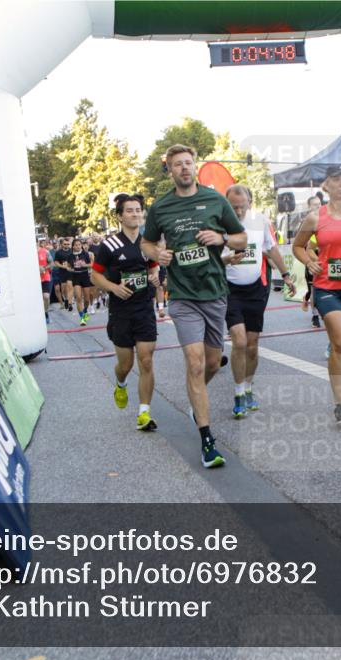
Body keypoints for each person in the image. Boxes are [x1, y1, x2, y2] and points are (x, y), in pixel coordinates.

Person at [141, 144, 247, 468]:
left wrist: (222, 239)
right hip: (183, 296)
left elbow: (241, 238)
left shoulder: (215, 200)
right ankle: (207, 441)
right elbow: (147, 242)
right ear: (170, 170)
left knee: (212, 363)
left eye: (188, 163)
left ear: (194, 166)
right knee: (196, 363)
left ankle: (194, 396)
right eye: (178, 164)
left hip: (214, 293)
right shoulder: (161, 207)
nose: (184, 168)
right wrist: (157, 254)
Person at [293, 166, 341, 424]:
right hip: (327, 287)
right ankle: (339, 402)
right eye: (336, 180)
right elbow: (298, 246)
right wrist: (309, 261)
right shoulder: (316, 217)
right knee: (339, 342)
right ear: (326, 185)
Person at [222, 184, 296, 417]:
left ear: (250, 203)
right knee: (239, 341)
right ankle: (238, 393)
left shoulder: (260, 221)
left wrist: (286, 275)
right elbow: (212, 258)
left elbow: (272, 249)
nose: (238, 211)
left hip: (256, 289)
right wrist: (227, 259)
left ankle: (248, 387)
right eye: (233, 207)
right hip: (230, 289)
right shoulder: (219, 223)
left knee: (252, 345)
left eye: (241, 206)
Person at [93, 194, 161, 431]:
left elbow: (153, 268)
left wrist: (154, 276)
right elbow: (95, 275)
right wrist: (113, 288)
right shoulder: (109, 245)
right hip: (121, 312)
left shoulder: (147, 244)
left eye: (138, 210)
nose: (135, 214)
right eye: (130, 211)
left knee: (146, 360)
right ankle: (120, 383)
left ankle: (144, 413)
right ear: (120, 217)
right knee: (126, 364)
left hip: (144, 309)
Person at [299, 195, 323, 328]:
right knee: (313, 289)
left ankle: (307, 298)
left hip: (326, 259)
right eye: (315, 204)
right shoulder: (307, 222)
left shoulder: (326, 219)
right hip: (311, 258)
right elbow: (300, 244)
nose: (318, 206)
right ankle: (315, 316)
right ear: (309, 207)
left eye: (319, 204)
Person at [69, 238, 93, 325]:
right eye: (76, 245)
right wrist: (70, 269)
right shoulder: (70, 256)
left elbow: (91, 264)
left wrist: (84, 265)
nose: (78, 246)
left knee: (86, 300)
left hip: (85, 276)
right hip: (76, 277)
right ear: (73, 246)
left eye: (79, 245)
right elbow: (68, 266)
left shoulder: (85, 254)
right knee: (78, 298)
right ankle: (82, 318)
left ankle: (85, 311)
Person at [52, 238, 74, 311]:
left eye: (68, 244)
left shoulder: (72, 251)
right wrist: (63, 266)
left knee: (70, 286)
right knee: (64, 288)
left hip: (70, 271)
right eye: (65, 244)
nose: (66, 245)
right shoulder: (58, 252)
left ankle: (70, 303)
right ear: (62, 244)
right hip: (62, 272)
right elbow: (56, 262)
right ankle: (66, 299)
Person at [37, 239, 53, 323]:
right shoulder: (27, 254)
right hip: (34, 279)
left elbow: (52, 263)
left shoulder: (45, 252)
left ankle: (46, 313)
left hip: (45, 276)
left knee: (46, 296)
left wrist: (44, 268)